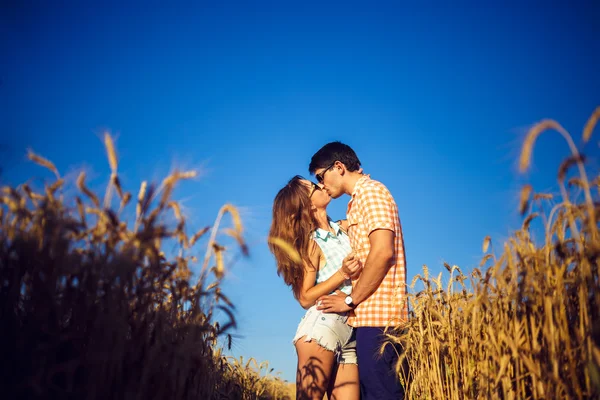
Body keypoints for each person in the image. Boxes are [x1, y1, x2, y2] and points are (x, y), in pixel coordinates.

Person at [309, 142, 407, 399]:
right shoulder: (357, 202)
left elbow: (383, 251)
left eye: (321, 176)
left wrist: (350, 300)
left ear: (338, 167)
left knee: (382, 394)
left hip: (381, 321)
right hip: (368, 319)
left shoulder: (371, 193)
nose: (321, 185)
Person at [268, 176, 361, 400]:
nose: (322, 185)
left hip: (350, 329)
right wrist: (342, 274)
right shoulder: (312, 243)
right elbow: (305, 298)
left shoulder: (343, 229)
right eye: (314, 187)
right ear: (308, 205)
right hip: (324, 329)